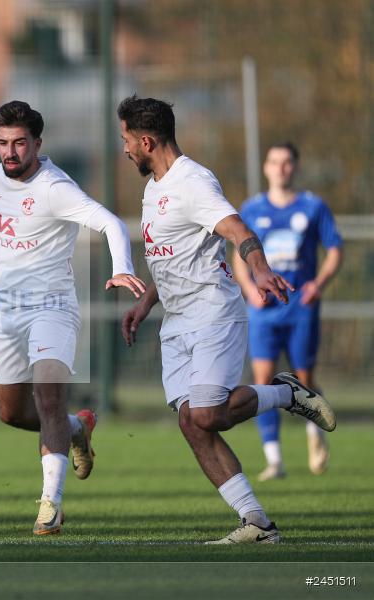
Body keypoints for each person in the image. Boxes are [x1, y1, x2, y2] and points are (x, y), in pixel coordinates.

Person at [117, 95, 336, 544]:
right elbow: (171, 259)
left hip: (213, 312)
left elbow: (238, 229)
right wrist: (146, 304)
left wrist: (259, 267)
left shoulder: (193, 182)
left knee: (208, 413)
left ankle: (285, 393)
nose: (124, 149)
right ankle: (256, 522)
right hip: (176, 321)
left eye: (126, 140)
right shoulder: (154, 187)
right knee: (190, 423)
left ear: (146, 140)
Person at [0, 101, 146, 535]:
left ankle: (50, 504)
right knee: (10, 413)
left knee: (47, 398)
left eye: (19, 143)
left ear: (37, 144)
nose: (10, 152)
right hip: (7, 314)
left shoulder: (56, 187)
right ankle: (76, 428)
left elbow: (110, 222)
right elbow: (10, 199)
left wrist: (122, 267)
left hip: (52, 309)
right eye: (2, 143)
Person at [233, 142, 343, 481]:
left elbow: (335, 250)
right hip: (265, 310)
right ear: (266, 167)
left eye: (287, 162)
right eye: (274, 161)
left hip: (299, 307)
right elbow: (239, 255)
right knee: (263, 381)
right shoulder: (251, 209)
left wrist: (318, 284)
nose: (280, 168)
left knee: (304, 379)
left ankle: (315, 432)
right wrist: (250, 289)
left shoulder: (312, 207)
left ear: (295, 167)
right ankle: (274, 460)